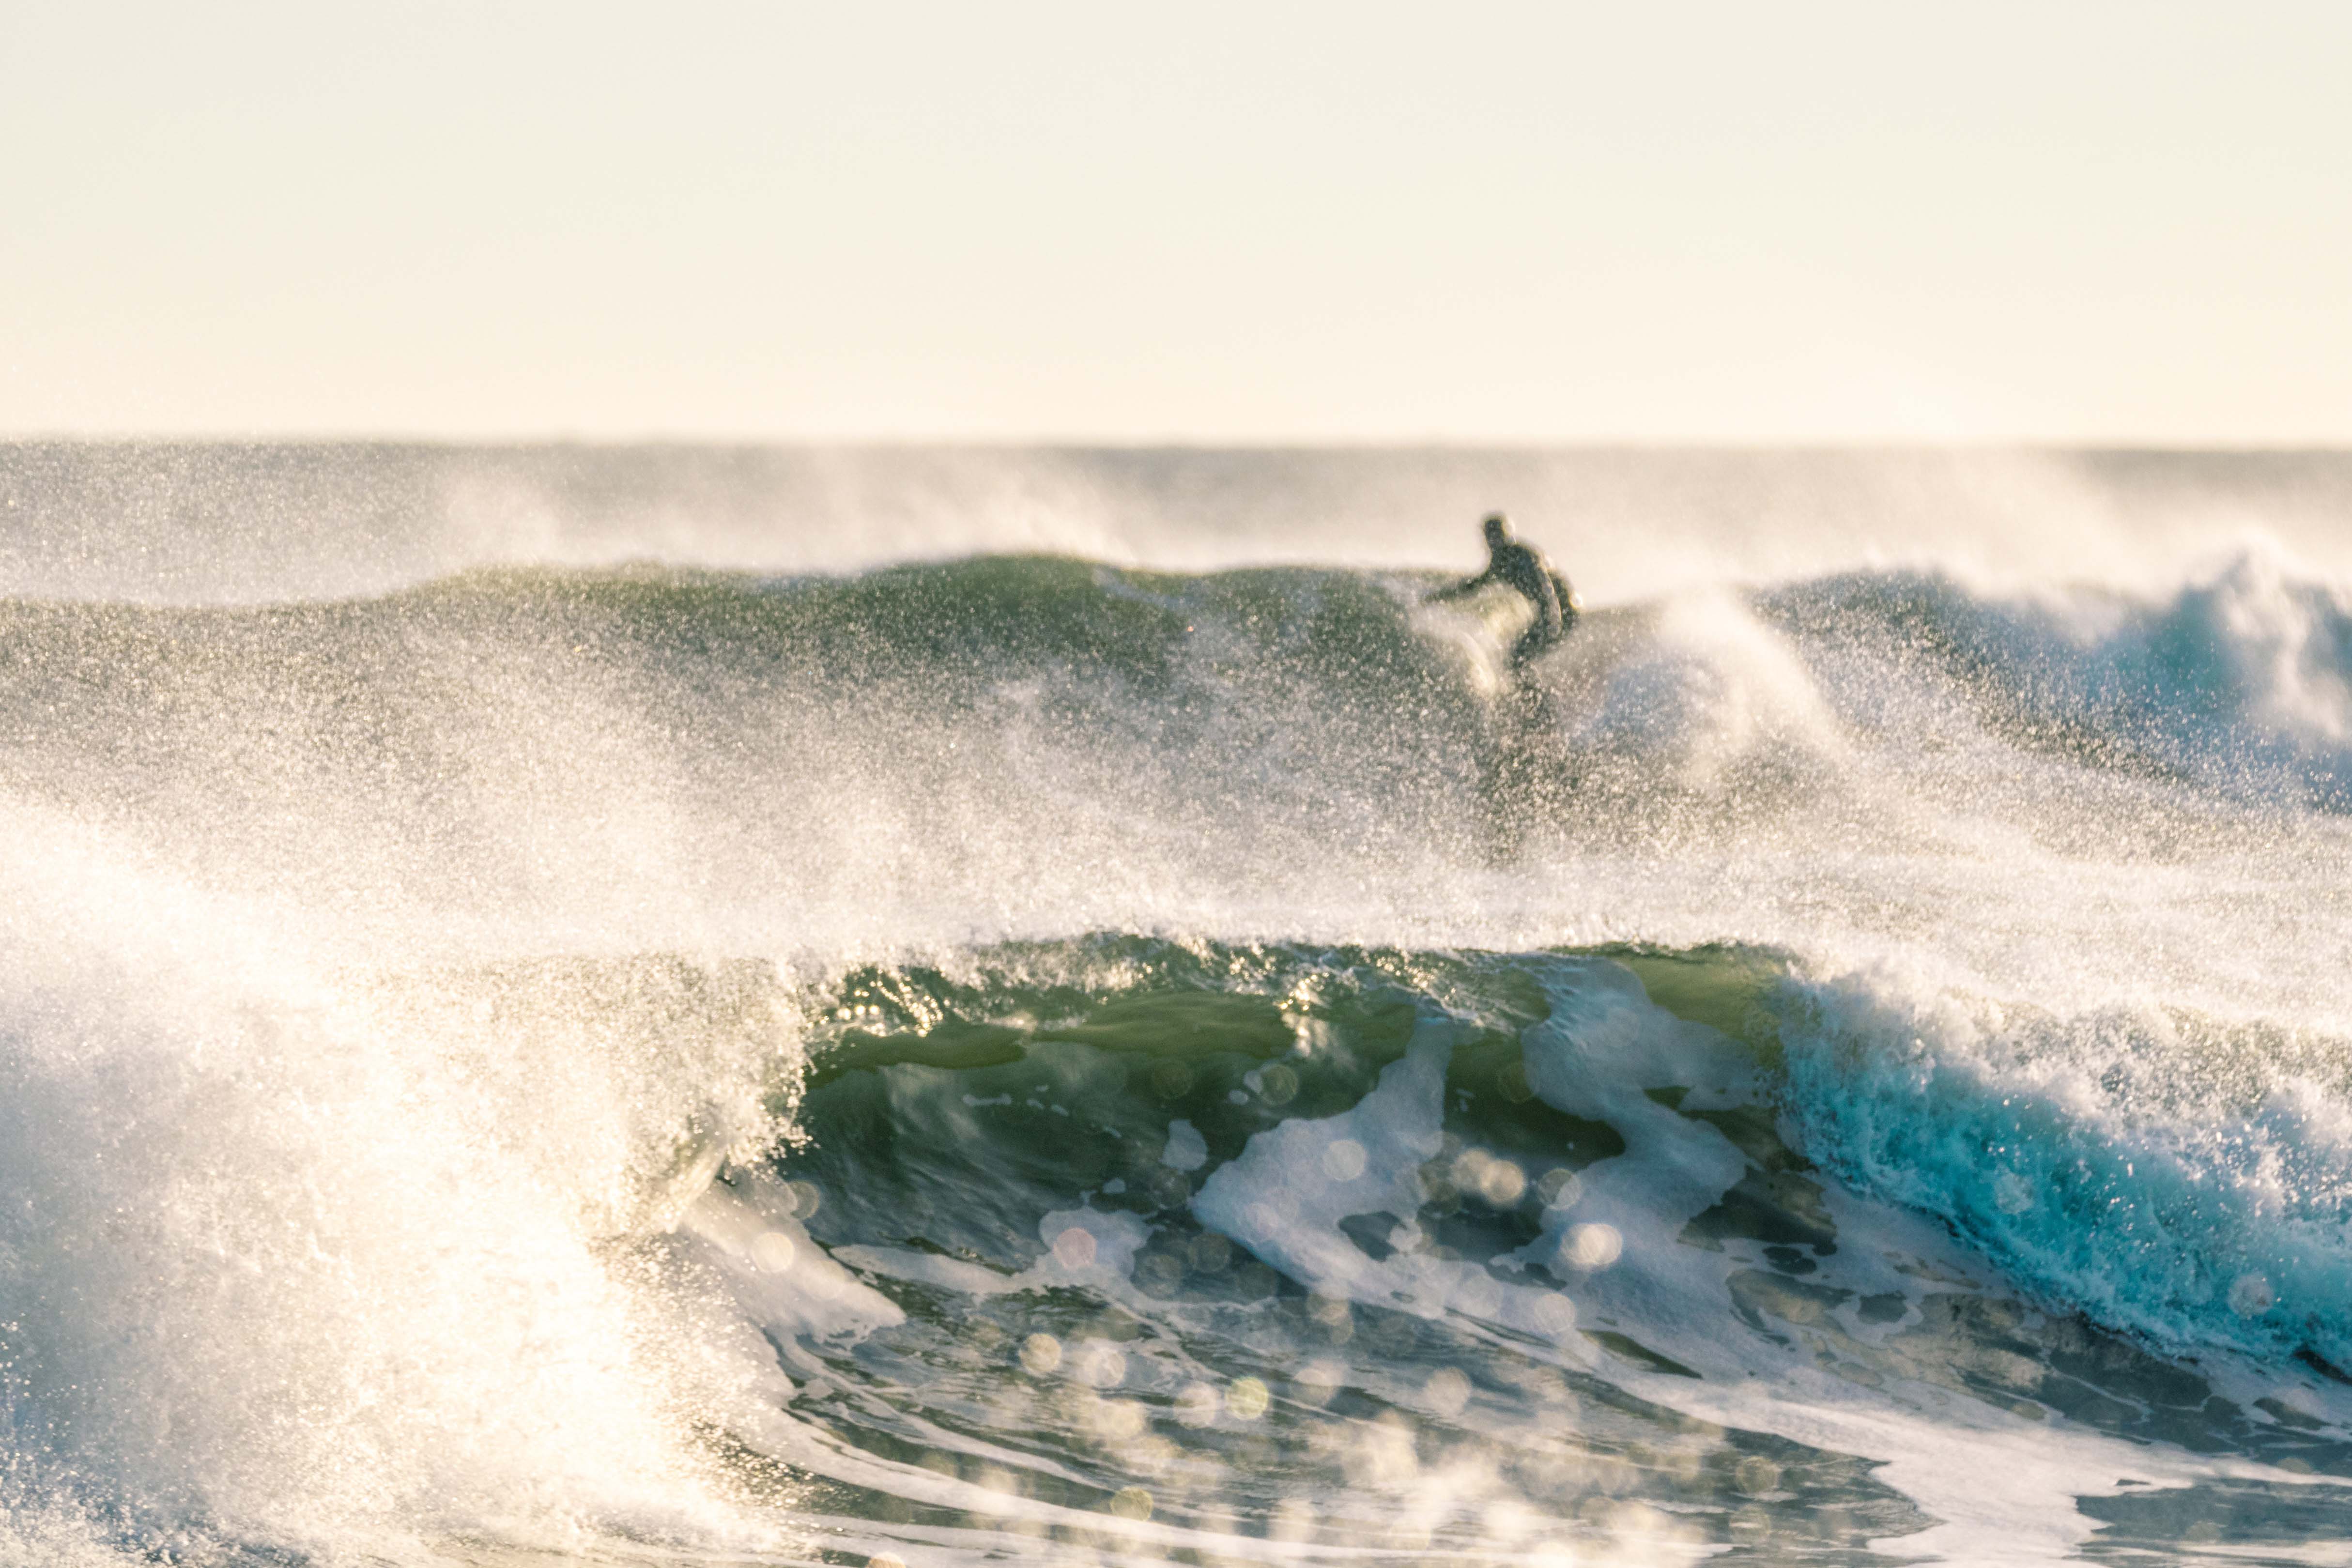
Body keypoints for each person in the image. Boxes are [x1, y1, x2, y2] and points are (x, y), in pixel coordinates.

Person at [1427, 513, 1580, 672]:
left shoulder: (1523, 556)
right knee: (1517, 660)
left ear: (1506, 534)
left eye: (1496, 534)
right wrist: (1440, 597)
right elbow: (1477, 585)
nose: (1492, 540)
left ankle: (1535, 696)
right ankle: (1533, 694)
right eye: (1489, 536)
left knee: (1517, 659)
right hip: (1556, 610)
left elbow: (1546, 589)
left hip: (1564, 610)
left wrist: (1552, 619)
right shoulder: (1501, 561)